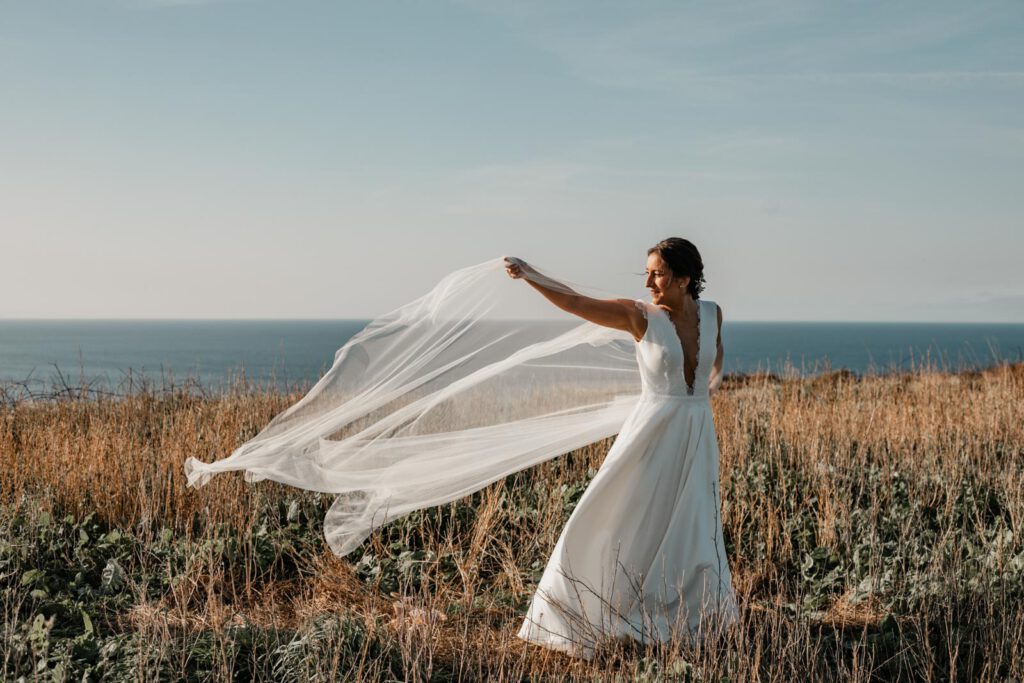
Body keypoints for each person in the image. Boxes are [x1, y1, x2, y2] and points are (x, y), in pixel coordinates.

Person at [506, 238, 739, 660]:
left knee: (692, 522)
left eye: (658, 273)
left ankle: (686, 617)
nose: (648, 281)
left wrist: (714, 381)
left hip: (697, 434)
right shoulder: (638, 315)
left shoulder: (712, 313)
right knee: (622, 516)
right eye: (647, 272)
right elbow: (575, 302)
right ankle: (583, 611)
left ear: (685, 280)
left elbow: (717, 350)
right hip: (651, 435)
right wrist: (530, 275)